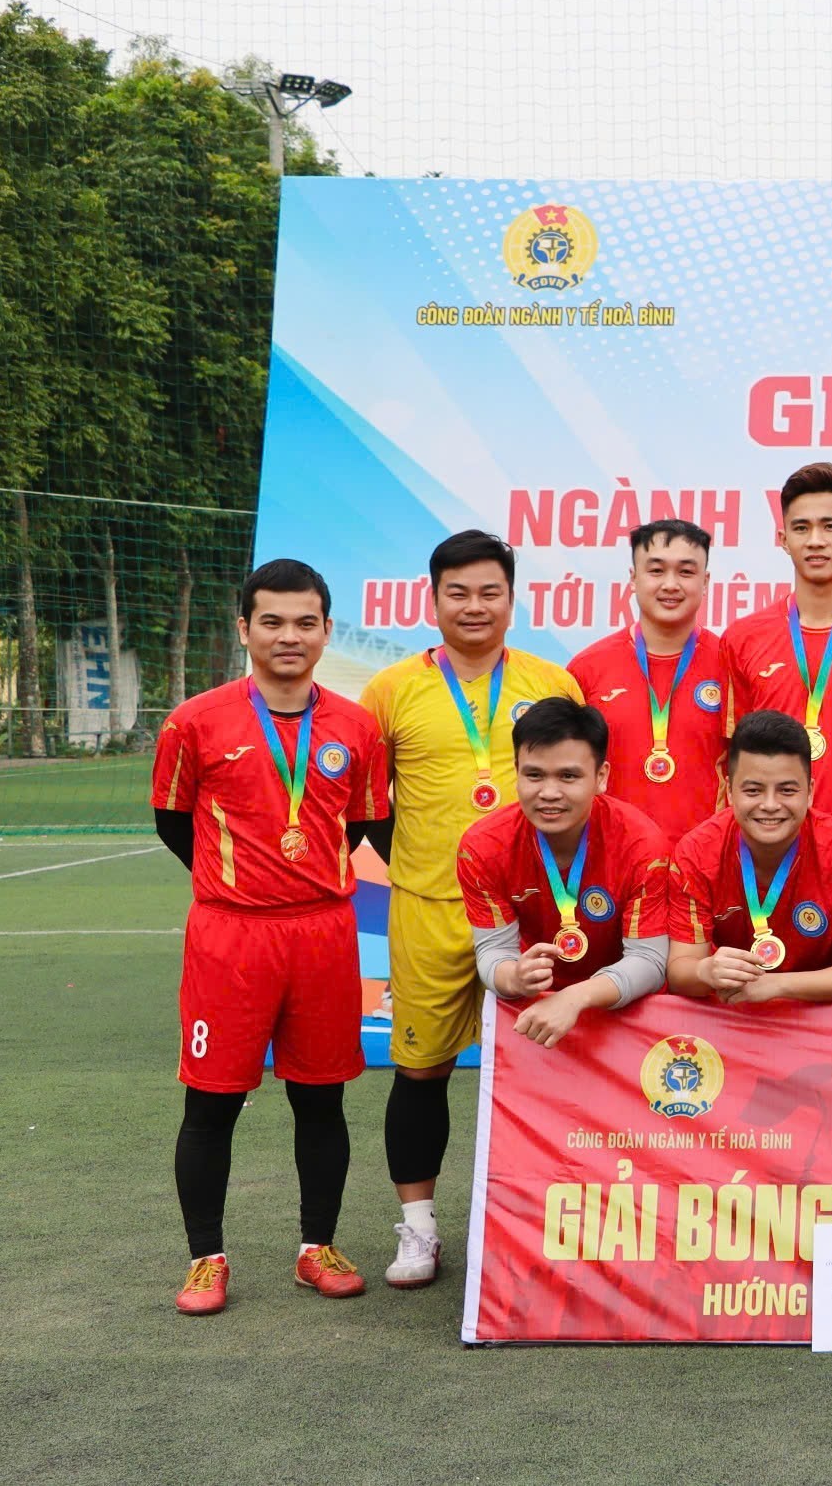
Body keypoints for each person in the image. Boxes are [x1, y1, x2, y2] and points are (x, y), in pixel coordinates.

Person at [153, 560, 389, 1315]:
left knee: (321, 1099)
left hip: (322, 934)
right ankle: (205, 1258)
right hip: (230, 937)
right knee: (210, 1104)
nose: (290, 636)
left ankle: (317, 1247)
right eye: (273, 621)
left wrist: (300, 879)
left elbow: (364, 825)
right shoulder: (194, 721)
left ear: (326, 629)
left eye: (305, 622)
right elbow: (173, 821)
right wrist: (238, 884)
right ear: (244, 628)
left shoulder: (356, 726)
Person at [358, 529, 581, 1291]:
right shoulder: (392, 690)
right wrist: (424, 863)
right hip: (430, 909)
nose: (474, 605)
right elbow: (370, 804)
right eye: (458, 591)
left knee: (549, 1064)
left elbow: (580, 788)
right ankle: (420, 1229)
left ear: (513, 599)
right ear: (433, 599)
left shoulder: (552, 681)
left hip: (535, 910)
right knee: (421, 1069)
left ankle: (549, 1223)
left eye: (490, 591)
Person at [458, 699, 678, 1048]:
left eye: (568, 776)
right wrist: (513, 977)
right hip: (537, 1006)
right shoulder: (482, 847)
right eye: (534, 775)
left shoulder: (642, 845)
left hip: (627, 1007)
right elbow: (493, 950)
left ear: (601, 777)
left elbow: (649, 960)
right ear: (516, 771)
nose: (549, 793)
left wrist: (577, 997)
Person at [670, 710, 832, 1003]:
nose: (770, 805)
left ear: (810, 792)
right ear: (730, 791)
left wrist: (776, 985)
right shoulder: (696, 853)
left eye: (787, 790)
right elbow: (679, 971)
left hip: (816, 1013)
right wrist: (704, 971)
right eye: (753, 790)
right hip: (733, 1011)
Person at [727, 461, 832, 828]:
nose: (815, 540)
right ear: (783, 539)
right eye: (801, 528)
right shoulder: (743, 638)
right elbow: (731, 756)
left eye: (830, 526)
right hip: (769, 843)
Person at [567, 518, 733, 840]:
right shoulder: (587, 669)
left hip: (707, 858)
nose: (670, 584)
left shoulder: (730, 665)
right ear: (633, 578)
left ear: (705, 581)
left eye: (686, 572)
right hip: (613, 856)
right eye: (656, 570)